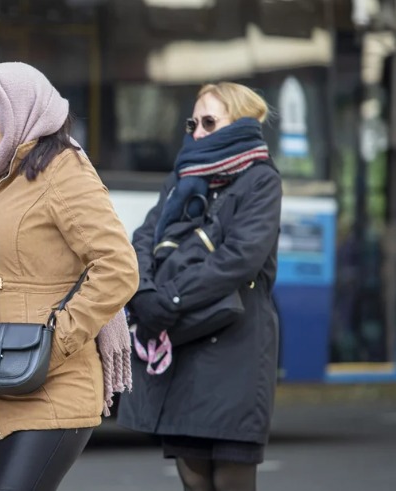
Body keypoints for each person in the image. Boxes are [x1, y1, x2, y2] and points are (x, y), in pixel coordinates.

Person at [0, 62, 139, 490]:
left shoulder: (63, 170)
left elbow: (118, 267)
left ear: (25, 109)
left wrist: (55, 339)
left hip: (51, 384)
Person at [117, 82, 282, 491]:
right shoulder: (181, 177)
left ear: (241, 124)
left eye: (210, 121)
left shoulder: (261, 180)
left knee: (230, 478)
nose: (198, 131)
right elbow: (144, 237)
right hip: (184, 344)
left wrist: (171, 297)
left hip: (235, 347)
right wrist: (143, 292)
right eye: (194, 122)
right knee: (192, 477)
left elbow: (241, 256)